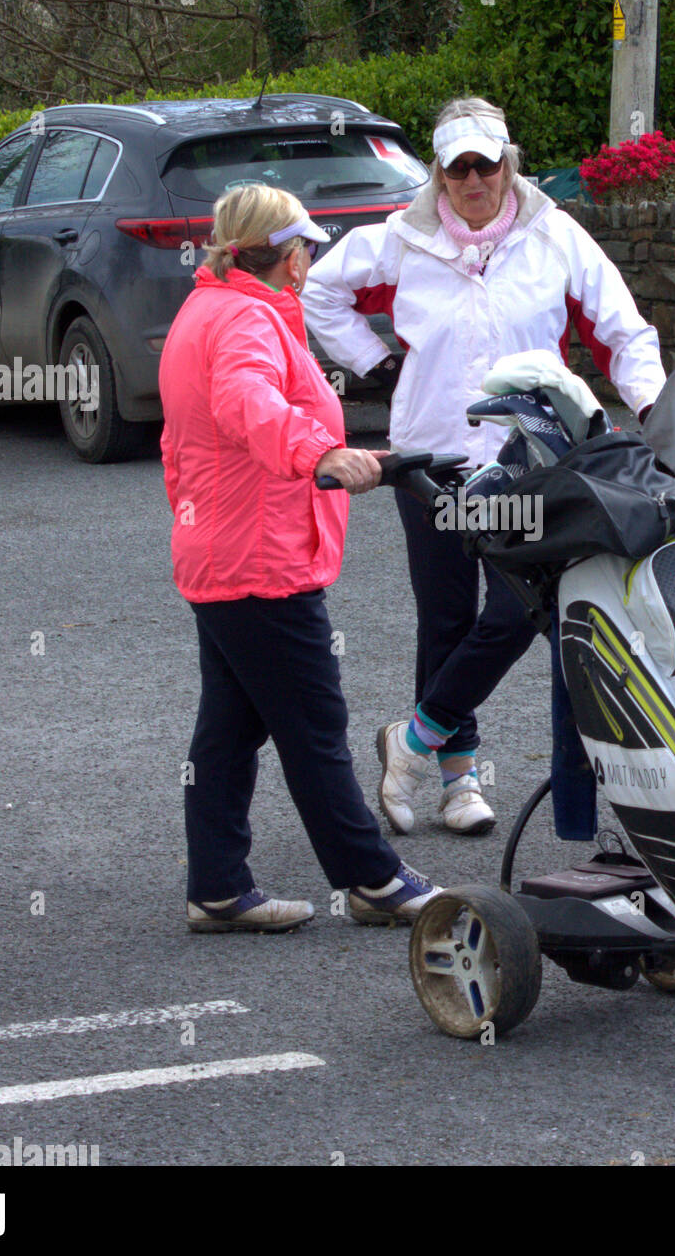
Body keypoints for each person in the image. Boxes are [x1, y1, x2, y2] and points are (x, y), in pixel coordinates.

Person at [303, 96, 666, 838]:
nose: (473, 180)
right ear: (437, 172)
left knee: (514, 612)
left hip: (531, 460)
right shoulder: (401, 240)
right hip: (429, 455)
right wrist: (372, 364)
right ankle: (457, 779)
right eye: (458, 167)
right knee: (445, 618)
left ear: (508, 164)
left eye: (486, 164)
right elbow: (318, 289)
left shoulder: (555, 235)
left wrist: (656, 410)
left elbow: (623, 330)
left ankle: (411, 739)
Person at [159, 183, 441, 932]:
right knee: (313, 724)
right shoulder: (248, 320)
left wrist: (351, 455)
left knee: (229, 727)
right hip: (258, 560)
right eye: (307, 249)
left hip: (220, 550)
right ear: (288, 255)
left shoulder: (208, 308)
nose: (311, 261)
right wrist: (320, 454)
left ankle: (217, 888)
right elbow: (246, 401)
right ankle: (372, 880)